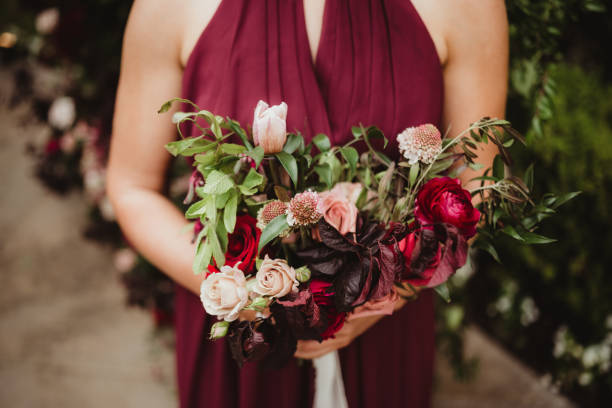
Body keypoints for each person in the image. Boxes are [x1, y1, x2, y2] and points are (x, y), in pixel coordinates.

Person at [107, 0, 508, 407]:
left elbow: (477, 187)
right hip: (244, 345)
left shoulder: (467, 7)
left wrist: (391, 291)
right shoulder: (169, 8)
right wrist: (238, 294)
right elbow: (132, 186)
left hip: (382, 334)